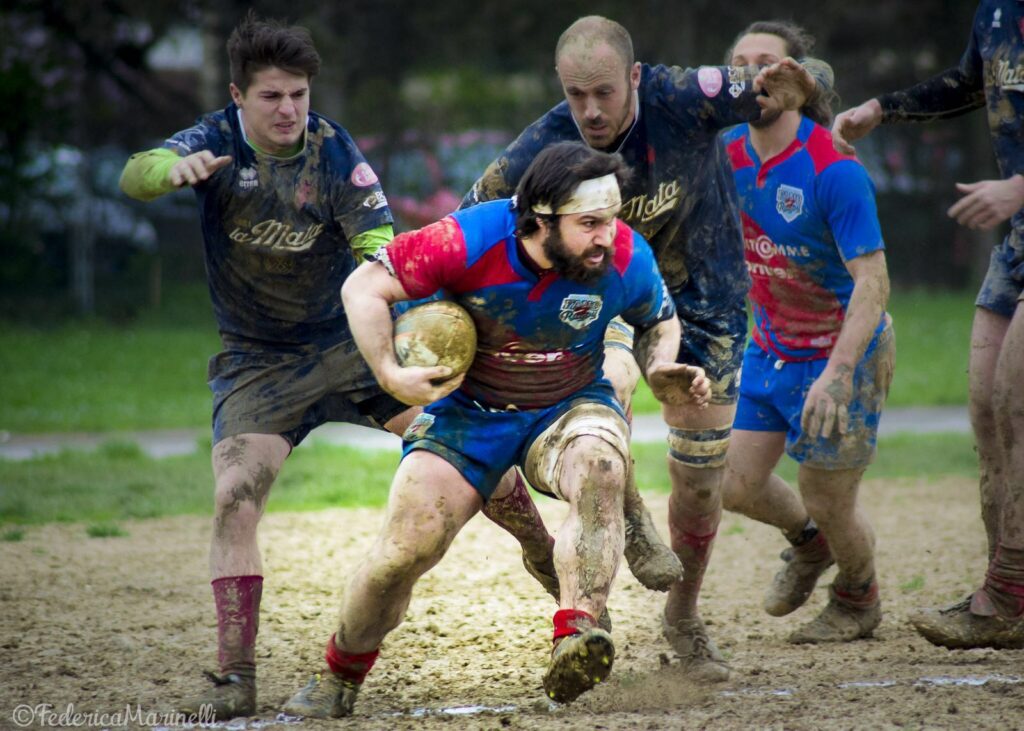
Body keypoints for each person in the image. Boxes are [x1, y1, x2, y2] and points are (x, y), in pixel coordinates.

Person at [117, 13, 555, 720]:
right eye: (272, 97)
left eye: (299, 94)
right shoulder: (213, 142)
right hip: (258, 361)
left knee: (463, 445)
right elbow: (134, 174)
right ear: (238, 96)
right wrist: (175, 168)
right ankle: (234, 675)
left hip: (351, 345)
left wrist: (408, 315)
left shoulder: (334, 153)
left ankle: (540, 544)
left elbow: (381, 246)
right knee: (233, 496)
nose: (289, 109)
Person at [460, 14, 833, 681]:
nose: (591, 110)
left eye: (604, 91)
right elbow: (469, 225)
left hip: (707, 296)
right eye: (575, 95)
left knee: (700, 477)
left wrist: (800, 86)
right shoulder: (541, 149)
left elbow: (791, 84)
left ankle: (683, 617)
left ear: (634, 77)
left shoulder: (683, 96)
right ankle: (613, 556)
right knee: (613, 385)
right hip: (613, 303)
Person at [280, 141, 711, 718]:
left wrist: (662, 367)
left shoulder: (623, 255)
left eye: (611, 219)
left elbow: (659, 319)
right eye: (589, 223)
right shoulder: (468, 239)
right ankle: (341, 671)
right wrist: (388, 372)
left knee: (601, 464)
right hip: (468, 412)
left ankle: (576, 633)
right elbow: (363, 289)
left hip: (569, 402)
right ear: (539, 218)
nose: (607, 236)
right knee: (403, 553)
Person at [832, 0, 1024, 650]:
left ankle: (1007, 596)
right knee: (985, 406)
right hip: (1020, 236)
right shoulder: (997, 10)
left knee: (1016, 397)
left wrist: (1020, 187)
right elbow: (971, 81)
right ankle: (1005, 590)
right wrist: (882, 109)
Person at [717, 21, 893, 645]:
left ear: (797, 77)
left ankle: (858, 596)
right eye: (741, 63)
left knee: (827, 493)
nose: (754, 74)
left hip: (844, 349)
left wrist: (838, 375)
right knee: (732, 484)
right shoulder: (725, 152)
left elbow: (873, 284)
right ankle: (809, 546)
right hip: (771, 344)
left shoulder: (833, 168)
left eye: (768, 62)